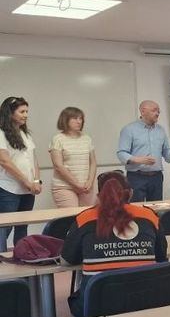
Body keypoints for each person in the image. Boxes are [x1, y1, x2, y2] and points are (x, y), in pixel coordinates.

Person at [62, 172, 167, 317]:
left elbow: (66, 260)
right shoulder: (149, 216)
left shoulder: (84, 219)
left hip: (98, 306)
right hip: (145, 301)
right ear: (130, 193)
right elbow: (161, 257)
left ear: (99, 196)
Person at [0, 96, 41, 246]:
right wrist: (26, 182)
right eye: (22, 111)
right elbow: (5, 162)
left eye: (27, 111)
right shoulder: (1, 133)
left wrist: (36, 181)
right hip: (9, 189)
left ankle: (22, 258)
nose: (26, 115)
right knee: (5, 228)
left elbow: (34, 160)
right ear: (10, 113)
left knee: (22, 226)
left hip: (28, 190)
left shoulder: (26, 134)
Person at [116, 100, 170, 202]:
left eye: (158, 112)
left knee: (156, 209)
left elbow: (166, 152)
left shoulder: (161, 130)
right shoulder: (129, 129)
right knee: (136, 209)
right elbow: (121, 153)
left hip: (156, 177)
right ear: (143, 111)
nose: (157, 114)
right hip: (136, 177)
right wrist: (138, 160)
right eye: (154, 110)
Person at [49, 106, 97, 208]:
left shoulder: (86, 138)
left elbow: (93, 163)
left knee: (87, 219)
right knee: (71, 219)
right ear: (65, 120)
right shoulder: (58, 139)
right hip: (65, 187)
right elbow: (58, 165)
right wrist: (76, 183)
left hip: (86, 187)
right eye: (75, 118)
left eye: (81, 119)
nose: (79, 121)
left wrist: (90, 182)